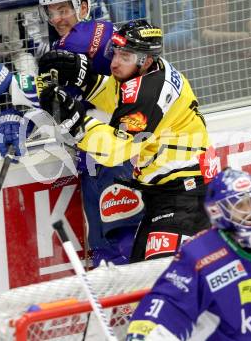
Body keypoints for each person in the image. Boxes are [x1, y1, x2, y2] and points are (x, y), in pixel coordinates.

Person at [0, 0, 145, 268]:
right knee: (104, 250)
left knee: (121, 250)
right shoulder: (80, 40)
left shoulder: (88, 39)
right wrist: (22, 120)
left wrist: (6, 82)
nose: (57, 18)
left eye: (64, 8)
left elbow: (55, 93)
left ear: (83, 5)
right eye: (51, 10)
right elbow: (62, 103)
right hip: (97, 159)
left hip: (117, 159)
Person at [38, 19, 216, 262]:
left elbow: (115, 150)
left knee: (162, 279)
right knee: (143, 275)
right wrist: (86, 80)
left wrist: (76, 123)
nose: (114, 63)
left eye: (125, 56)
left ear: (146, 60)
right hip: (169, 193)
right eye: (116, 53)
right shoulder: (147, 73)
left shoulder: (149, 94)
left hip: (185, 197)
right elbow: (118, 96)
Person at [126, 168, 251, 340]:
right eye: (239, 206)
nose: (250, 213)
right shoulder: (199, 254)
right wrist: (145, 333)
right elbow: (170, 303)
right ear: (217, 211)